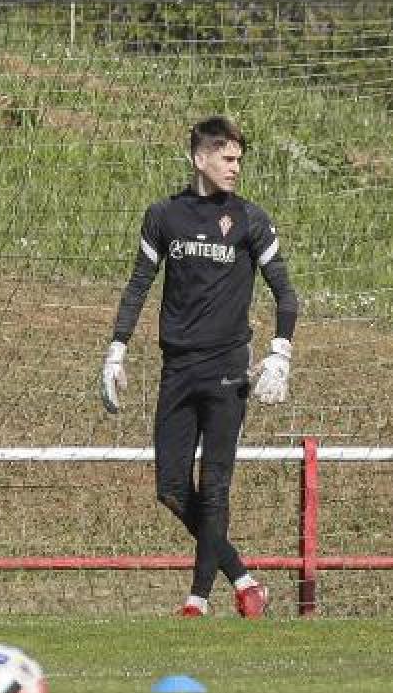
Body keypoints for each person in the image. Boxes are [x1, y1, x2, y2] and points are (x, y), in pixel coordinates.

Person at [99, 115, 299, 619]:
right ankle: (244, 578)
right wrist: (116, 349)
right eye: (227, 158)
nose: (235, 168)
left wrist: (281, 352)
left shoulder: (252, 219)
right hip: (177, 368)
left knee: (214, 485)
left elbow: (287, 295)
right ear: (199, 158)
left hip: (229, 368)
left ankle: (198, 599)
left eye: (238, 160)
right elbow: (138, 285)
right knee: (169, 488)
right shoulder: (163, 215)